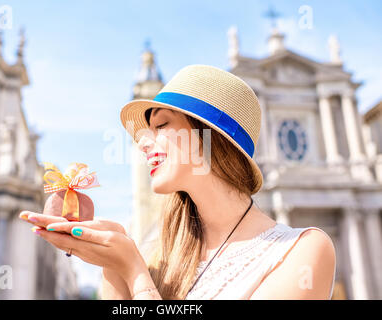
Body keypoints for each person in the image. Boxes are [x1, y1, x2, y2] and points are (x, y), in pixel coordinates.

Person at [19, 64, 336, 300]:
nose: (143, 143)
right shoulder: (157, 252)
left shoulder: (301, 250)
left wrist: (133, 271)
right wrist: (112, 266)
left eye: (160, 125)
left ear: (208, 138)